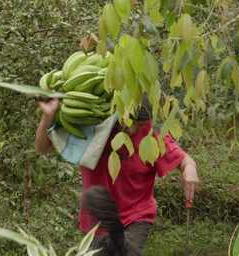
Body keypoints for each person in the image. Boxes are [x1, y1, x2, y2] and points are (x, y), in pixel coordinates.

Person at [34, 97, 199, 255]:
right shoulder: (96, 127)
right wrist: (48, 116)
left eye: (141, 124)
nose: (136, 128)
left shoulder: (150, 135)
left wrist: (190, 168)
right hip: (97, 218)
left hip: (136, 217)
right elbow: (42, 148)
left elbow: (184, 159)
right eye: (132, 122)